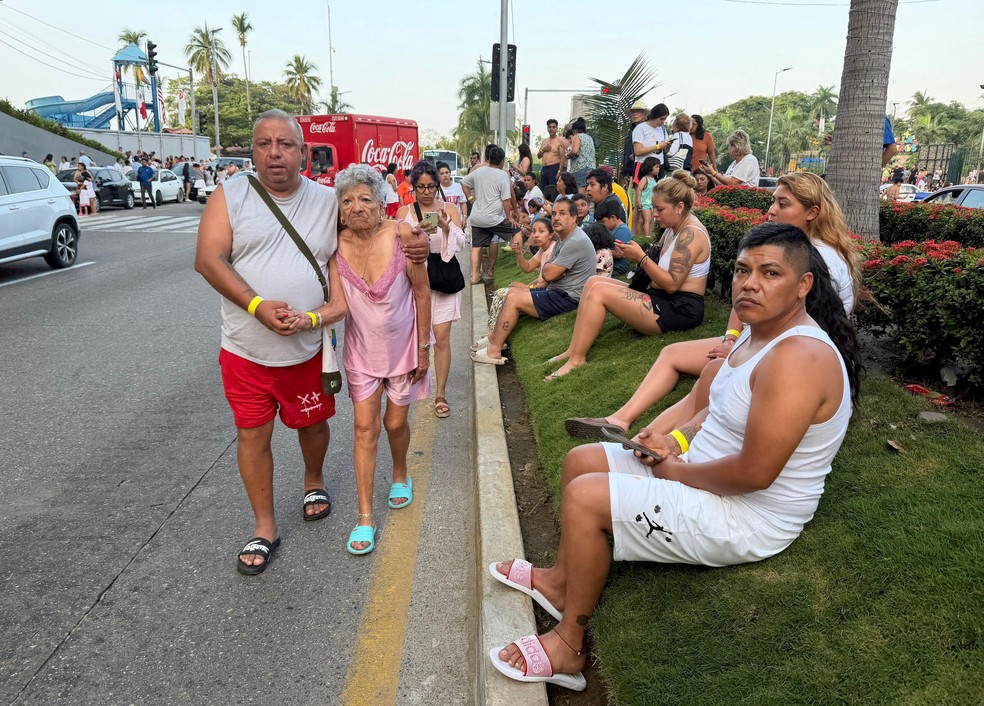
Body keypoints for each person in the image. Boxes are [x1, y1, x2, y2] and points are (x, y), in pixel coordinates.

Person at [488, 222, 862, 692]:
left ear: (803, 285)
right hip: (706, 472)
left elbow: (755, 473)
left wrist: (676, 472)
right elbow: (715, 411)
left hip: (749, 513)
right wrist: (675, 440)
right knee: (581, 461)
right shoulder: (755, 332)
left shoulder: (799, 358)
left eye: (770, 273)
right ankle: (561, 582)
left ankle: (569, 645)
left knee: (586, 497)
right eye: (743, 270)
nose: (749, 283)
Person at [564, 171, 860, 440]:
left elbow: (809, 332)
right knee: (673, 353)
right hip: (754, 342)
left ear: (812, 212)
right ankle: (624, 424)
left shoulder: (818, 260)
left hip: (791, 359)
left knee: (712, 376)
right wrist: (732, 338)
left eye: (783, 204)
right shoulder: (784, 248)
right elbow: (744, 301)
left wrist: (641, 258)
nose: (770, 211)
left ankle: (656, 439)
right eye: (773, 202)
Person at [193, 109, 348, 575]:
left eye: (285, 144)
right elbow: (208, 259)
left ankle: (314, 479)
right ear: (252, 150)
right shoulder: (231, 194)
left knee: (313, 423)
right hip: (245, 349)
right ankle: (265, 526)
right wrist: (258, 306)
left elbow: (368, 233)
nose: (274, 152)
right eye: (264, 144)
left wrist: (417, 240)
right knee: (251, 435)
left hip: (308, 347)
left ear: (304, 152)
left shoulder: (327, 201)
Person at [319, 164, 431, 555]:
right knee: (365, 429)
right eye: (347, 201)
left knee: (395, 422)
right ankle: (365, 516)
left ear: (381, 203)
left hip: (404, 350)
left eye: (365, 199)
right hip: (361, 353)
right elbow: (336, 305)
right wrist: (309, 318)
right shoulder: (334, 245)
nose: (356, 207)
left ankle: (400, 473)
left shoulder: (402, 234)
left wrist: (423, 347)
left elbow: (421, 293)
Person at [545, 171, 710, 381]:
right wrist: (636, 256)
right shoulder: (673, 228)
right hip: (662, 299)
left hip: (680, 309)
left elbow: (671, 284)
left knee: (600, 292)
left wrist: (641, 258)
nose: (655, 214)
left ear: (679, 207)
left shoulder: (691, 234)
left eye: (660, 209)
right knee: (594, 281)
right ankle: (572, 350)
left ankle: (577, 359)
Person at [470, 198, 595, 365]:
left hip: (569, 297)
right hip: (558, 290)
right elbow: (548, 272)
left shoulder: (574, 241)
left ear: (574, 218)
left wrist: (551, 270)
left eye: (562, 213)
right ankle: (494, 338)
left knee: (514, 298)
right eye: (555, 214)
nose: (556, 217)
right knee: (512, 293)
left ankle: (494, 351)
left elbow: (548, 275)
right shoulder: (564, 238)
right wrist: (551, 269)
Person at [396, 160, 466, 419]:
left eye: (431, 187)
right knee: (417, 336)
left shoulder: (449, 208)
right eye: (421, 187)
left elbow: (460, 244)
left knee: (442, 338)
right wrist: (414, 232)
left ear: (438, 186)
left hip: (444, 278)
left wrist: (446, 226)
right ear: (413, 187)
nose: (426, 192)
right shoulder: (405, 212)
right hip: (416, 280)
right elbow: (396, 246)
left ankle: (441, 393)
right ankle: (410, 385)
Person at [473, 216, 559, 353]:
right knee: (503, 293)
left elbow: (545, 282)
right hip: (541, 289)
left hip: (547, 292)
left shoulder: (553, 251)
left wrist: (526, 288)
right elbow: (528, 267)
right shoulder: (543, 249)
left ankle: (497, 340)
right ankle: (493, 335)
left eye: (541, 231)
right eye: (534, 231)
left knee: (505, 293)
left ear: (551, 234)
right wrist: (518, 254)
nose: (536, 235)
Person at [461, 145, 520, 285]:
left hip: (476, 217)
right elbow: (506, 199)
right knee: (516, 231)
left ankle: (474, 276)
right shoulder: (503, 174)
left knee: (477, 246)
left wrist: (471, 199)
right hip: (493, 218)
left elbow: (463, 183)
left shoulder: (479, 171)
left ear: (488, 158)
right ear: (502, 162)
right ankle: (517, 263)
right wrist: (509, 217)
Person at [594, 196, 633, 276]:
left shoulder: (623, 230)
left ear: (613, 218)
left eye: (603, 222)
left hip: (617, 268)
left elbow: (619, 254)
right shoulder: (613, 229)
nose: (602, 225)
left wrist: (599, 251)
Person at [632, 104, 671, 183]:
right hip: (644, 165)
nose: (662, 122)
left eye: (664, 119)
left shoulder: (662, 129)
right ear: (655, 116)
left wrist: (667, 146)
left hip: (659, 166)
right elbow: (638, 151)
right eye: (661, 119)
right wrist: (658, 146)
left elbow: (665, 149)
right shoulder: (640, 128)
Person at [621, 99, 650, 187]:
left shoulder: (647, 129)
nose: (635, 114)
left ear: (644, 114)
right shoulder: (631, 130)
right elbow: (626, 151)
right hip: (630, 171)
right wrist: (625, 172)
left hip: (641, 168)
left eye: (638, 112)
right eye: (633, 112)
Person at [567, 117, 596, 192]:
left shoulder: (577, 136)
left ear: (574, 130)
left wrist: (567, 155)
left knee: (580, 195)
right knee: (588, 193)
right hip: (591, 169)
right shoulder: (590, 138)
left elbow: (574, 151)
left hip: (580, 169)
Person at [634, 156, 660, 238]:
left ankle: (639, 236)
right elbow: (639, 190)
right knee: (647, 220)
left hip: (650, 204)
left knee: (643, 220)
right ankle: (647, 236)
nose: (658, 169)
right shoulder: (645, 179)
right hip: (644, 203)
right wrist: (638, 201)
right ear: (650, 167)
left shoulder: (653, 179)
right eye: (657, 167)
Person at [537, 119, 565, 192]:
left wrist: (559, 171)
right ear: (547, 128)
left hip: (554, 167)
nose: (551, 129)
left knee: (552, 190)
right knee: (543, 190)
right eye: (550, 127)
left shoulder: (560, 141)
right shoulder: (544, 141)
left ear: (556, 128)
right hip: (544, 168)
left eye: (553, 127)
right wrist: (543, 149)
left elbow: (562, 157)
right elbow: (538, 156)